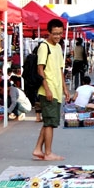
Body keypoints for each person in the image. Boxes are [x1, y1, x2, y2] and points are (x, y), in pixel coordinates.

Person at [32, 19, 70, 161]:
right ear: (49, 32)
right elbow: (40, 69)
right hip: (48, 91)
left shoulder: (58, 47)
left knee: (49, 121)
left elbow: (60, 69)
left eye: (60, 33)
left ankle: (38, 149)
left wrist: (65, 88)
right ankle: (48, 152)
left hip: (56, 90)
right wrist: (47, 89)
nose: (58, 36)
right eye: (55, 34)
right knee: (50, 123)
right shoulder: (44, 46)